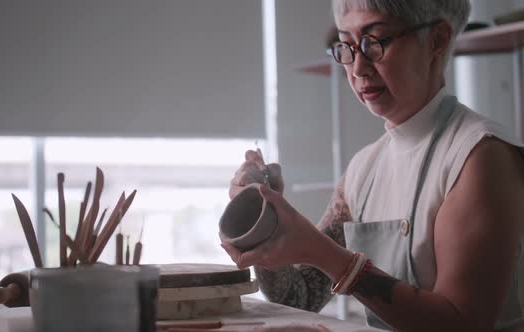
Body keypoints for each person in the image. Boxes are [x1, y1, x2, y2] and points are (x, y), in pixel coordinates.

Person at [221, 1, 524, 331]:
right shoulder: (363, 170)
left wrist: (326, 254)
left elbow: (461, 324)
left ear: (437, 39)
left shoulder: (479, 156)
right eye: (347, 46)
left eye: (374, 42)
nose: (358, 68)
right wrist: (266, 219)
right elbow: (299, 297)